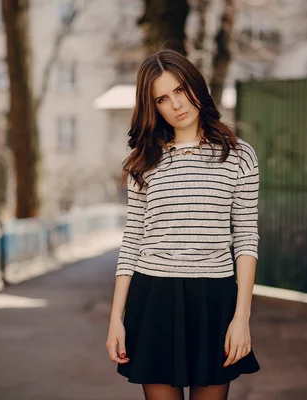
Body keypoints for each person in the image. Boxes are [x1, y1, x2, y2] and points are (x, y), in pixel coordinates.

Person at [106, 49, 260, 400]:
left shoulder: (238, 155)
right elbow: (132, 242)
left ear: (195, 86)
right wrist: (116, 318)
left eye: (179, 90)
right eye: (162, 98)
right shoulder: (143, 162)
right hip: (155, 298)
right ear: (153, 107)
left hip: (214, 299)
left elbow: (247, 237)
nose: (175, 104)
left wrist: (242, 318)